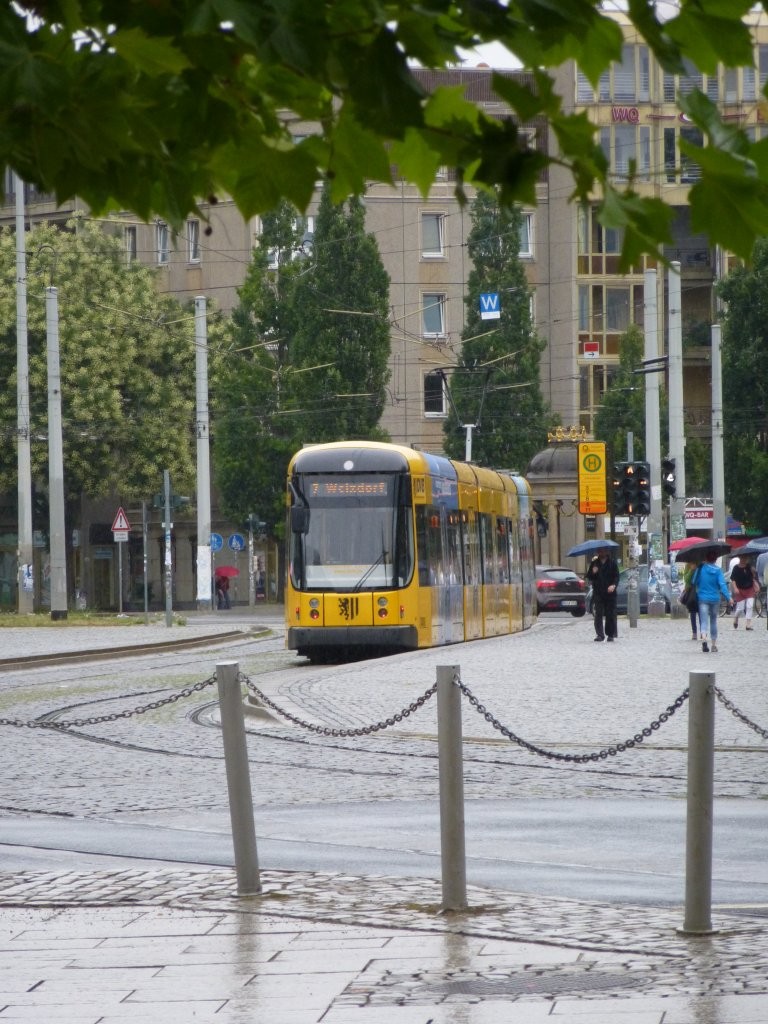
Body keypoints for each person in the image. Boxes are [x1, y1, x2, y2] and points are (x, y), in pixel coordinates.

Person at [692, 551, 732, 653]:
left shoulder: (701, 568)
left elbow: (693, 582)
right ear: (715, 559)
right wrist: (729, 598)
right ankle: (714, 645)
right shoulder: (718, 571)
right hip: (715, 599)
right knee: (713, 621)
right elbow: (722, 585)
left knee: (704, 621)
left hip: (703, 598)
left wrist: (696, 570)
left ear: (706, 558)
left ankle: (704, 639)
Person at [586, 546, 620, 642]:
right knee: (598, 614)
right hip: (598, 592)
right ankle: (600, 635)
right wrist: (593, 572)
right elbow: (589, 576)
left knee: (610, 613)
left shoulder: (612, 563)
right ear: (598, 552)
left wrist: (613, 585)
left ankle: (610, 634)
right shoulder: (594, 563)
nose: (601, 552)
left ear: (607, 551)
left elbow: (617, 576)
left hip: (610, 593)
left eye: (603, 550)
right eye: (600, 551)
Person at [730, 552, 758, 630]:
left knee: (750, 606)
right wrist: (735, 588)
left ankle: (748, 625)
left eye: (746, 558)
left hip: (749, 589)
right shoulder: (736, 568)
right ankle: (736, 617)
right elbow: (733, 579)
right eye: (743, 558)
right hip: (740, 590)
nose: (744, 559)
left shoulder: (749, 567)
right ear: (740, 558)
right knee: (740, 608)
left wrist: (753, 572)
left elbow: (753, 577)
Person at [681, 561, 700, 641]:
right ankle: (694, 632)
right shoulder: (688, 565)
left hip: (700, 591)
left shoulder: (701, 565)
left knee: (701, 612)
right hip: (691, 591)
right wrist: (691, 570)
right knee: (692, 612)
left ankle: (703, 631)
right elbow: (686, 579)